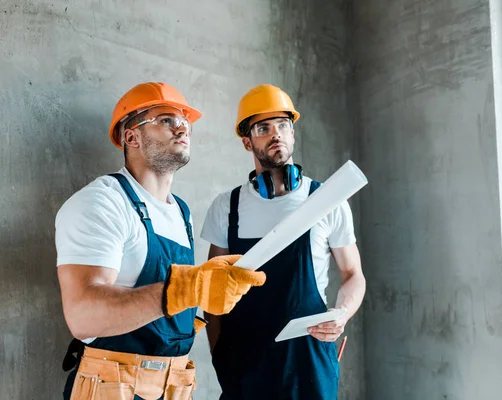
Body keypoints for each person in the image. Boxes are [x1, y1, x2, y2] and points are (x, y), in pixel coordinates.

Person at [55, 82, 265, 400]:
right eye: (167, 119)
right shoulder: (103, 202)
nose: (182, 127)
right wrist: (186, 290)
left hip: (173, 387)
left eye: (185, 120)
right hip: (113, 387)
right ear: (131, 137)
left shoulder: (180, 211)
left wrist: (206, 295)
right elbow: (82, 316)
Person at [201, 84, 366, 399]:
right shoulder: (227, 207)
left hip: (309, 365)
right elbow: (214, 293)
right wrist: (220, 356)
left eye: (283, 125)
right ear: (247, 141)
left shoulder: (326, 200)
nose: (276, 133)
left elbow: (352, 274)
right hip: (245, 366)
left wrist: (342, 313)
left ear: (292, 133)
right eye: (263, 128)